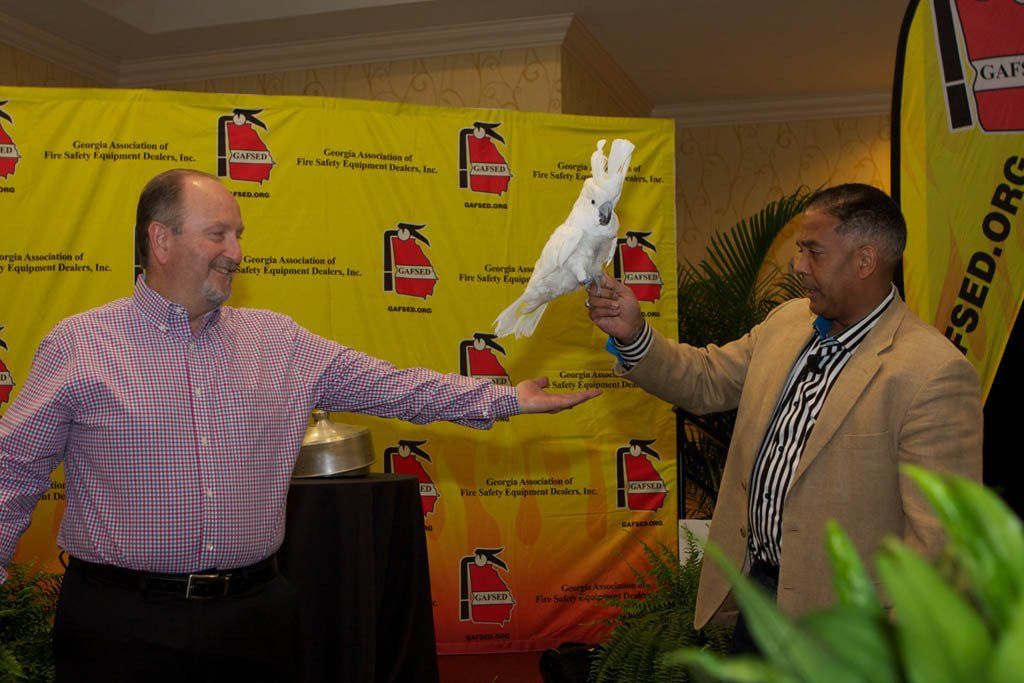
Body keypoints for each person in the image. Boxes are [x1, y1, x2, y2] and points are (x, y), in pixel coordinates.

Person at [0, 168, 599, 681]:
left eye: (238, 235)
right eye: (218, 233)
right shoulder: (81, 344)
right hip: (119, 627)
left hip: (255, 622)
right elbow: (15, 467)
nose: (235, 250)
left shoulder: (281, 343)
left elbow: (394, 386)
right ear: (161, 239)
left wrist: (502, 400)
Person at [586, 183, 983, 653]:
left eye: (813, 252)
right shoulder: (787, 322)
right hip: (760, 599)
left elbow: (940, 546)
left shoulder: (933, 373)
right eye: (800, 250)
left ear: (865, 261)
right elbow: (706, 379)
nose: (797, 266)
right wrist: (634, 335)